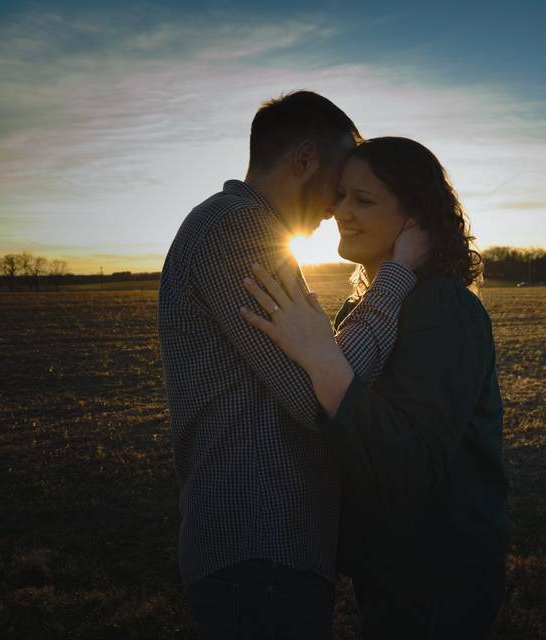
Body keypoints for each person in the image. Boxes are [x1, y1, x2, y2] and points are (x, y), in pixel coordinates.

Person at [158, 93, 429, 639]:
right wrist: (398, 275)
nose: (339, 203)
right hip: (258, 548)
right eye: (340, 180)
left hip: (269, 555)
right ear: (305, 160)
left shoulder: (247, 230)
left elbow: (319, 361)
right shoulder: (235, 231)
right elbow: (318, 392)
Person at [240, 137, 509, 639]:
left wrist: (324, 361)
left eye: (363, 200)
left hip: (440, 573)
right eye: (340, 196)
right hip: (390, 568)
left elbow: (413, 461)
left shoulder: (443, 308)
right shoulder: (361, 311)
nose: (340, 211)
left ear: (416, 219)